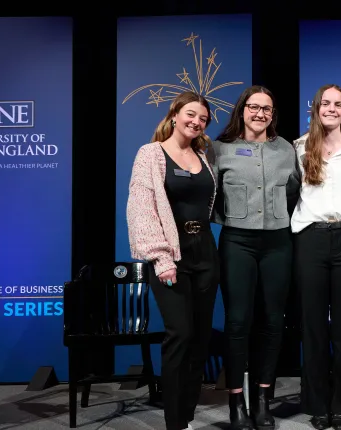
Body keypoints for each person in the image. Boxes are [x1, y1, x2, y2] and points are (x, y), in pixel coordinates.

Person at [127, 91, 219, 430]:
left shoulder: (203, 154)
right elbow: (141, 209)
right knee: (179, 335)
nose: (196, 122)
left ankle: (188, 415)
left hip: (207, 253)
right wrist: (160, 257)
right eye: (191, 115)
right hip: (172, 258)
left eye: (203, 119)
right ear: (175, 114)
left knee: (199, 338)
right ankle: (174, 421)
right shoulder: (151, 154)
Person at [211, 85, 300, 430]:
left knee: (273, 321)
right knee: (237, 322)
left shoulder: (286, 150)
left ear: (273, 114)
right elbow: (211, 195)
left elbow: (294, 191)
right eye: (254, 107)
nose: (260, 114)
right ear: (242, 110)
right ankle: (236, 404)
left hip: (278, 242)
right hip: (237, 242)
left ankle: (263, 399)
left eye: (267, 109)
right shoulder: (220, 149)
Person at [291, 84, 341, 430]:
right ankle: (317, 403)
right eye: (326, 103)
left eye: (338, 104)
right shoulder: (300, 146)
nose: (332, 109)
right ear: (316, 108)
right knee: (314, 326)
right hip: (311, 239)